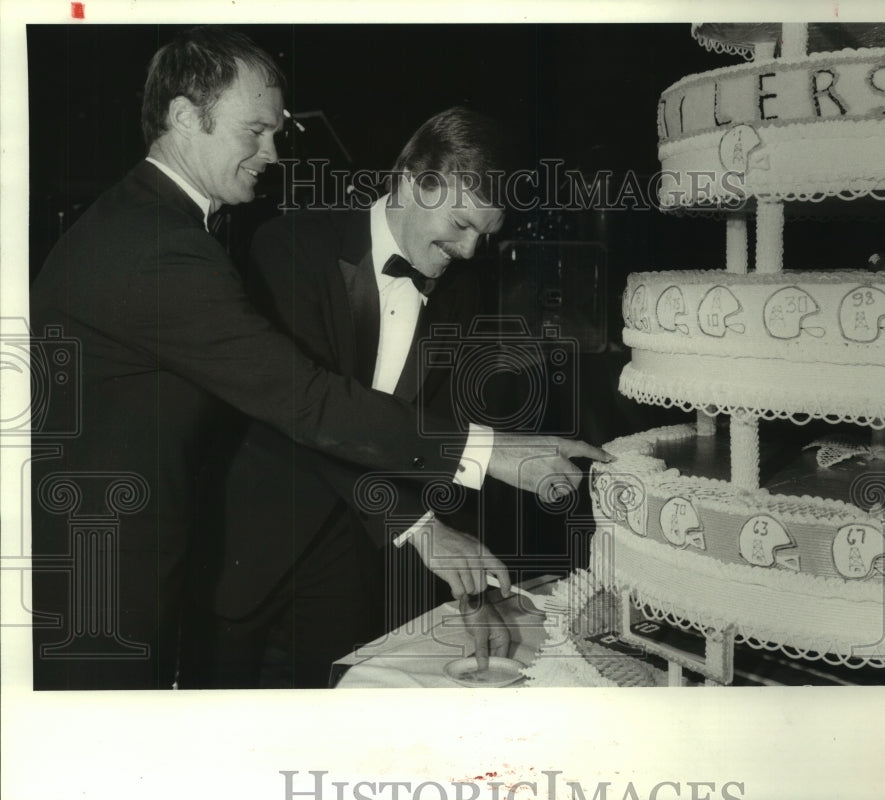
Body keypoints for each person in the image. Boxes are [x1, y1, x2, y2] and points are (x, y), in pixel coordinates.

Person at [29, 27, 609, 690]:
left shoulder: (172, 229)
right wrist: (493, 452)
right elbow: (304, 399)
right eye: (256, 130)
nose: (273, 152)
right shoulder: (176, 246)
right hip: (122, 563)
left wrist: (468, 578)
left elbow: (406, 434)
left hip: (331, 566)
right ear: (186, 117)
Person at [183, 107, 568, 688]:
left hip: (353, 567)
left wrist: (469, 589)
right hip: (246, 556)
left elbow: (433, 436)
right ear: (413, 180)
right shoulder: (290, 246)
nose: (468, 251)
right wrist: (421, 528)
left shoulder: (461, 291)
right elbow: (306, 414)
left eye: (483, 237)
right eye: (461, 224)